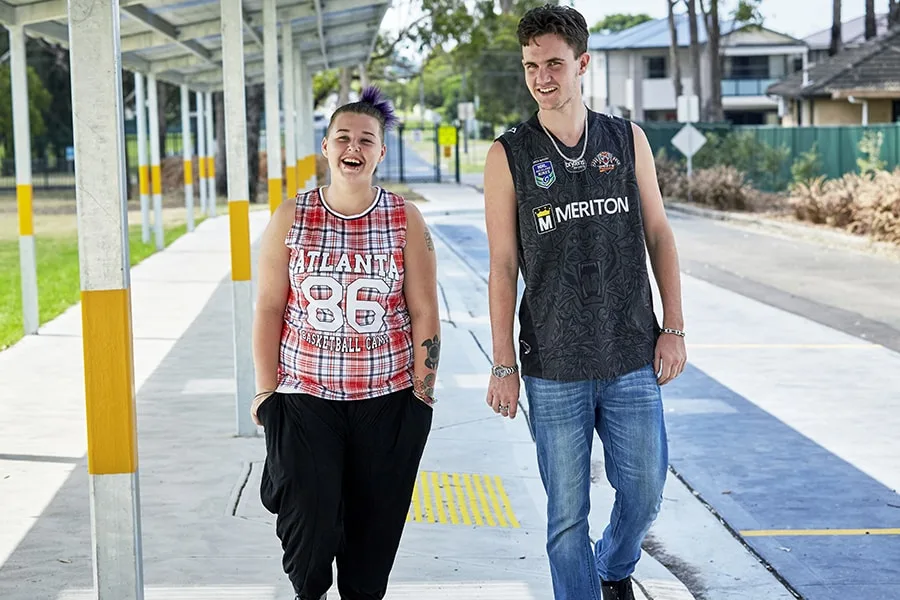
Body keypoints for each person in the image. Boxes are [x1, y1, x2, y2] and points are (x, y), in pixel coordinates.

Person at [483, 5, 688, 600]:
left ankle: (615, 566)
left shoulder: (627, 140)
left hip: (631, 351)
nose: (542, 77)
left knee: (646, 488)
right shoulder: (509, 155)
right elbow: (502, 266)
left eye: (553, 64)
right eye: (530, 67)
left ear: (582, 64)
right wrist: (503, 363)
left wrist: (673, 326)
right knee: (566, 516)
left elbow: (659, 235)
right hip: (553, 365)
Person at [250, 87, 439, 600]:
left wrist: (421, 394)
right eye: (343, 137)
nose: (353, 147)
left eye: (366, 139)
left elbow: (424, 310)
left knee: (369, 553)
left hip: (388, 401)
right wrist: (267, 394)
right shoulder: (293, 215)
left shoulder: (405, 219)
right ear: (326, 146)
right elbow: (269, 306)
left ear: (381, 151)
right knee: (308, 536)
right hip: (306, 399)